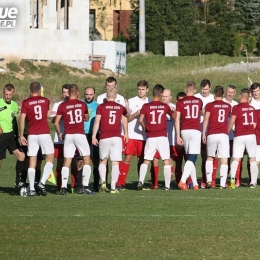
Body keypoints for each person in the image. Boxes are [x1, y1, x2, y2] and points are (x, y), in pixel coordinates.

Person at [54, 84, 94, 195]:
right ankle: (85, 185)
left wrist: (60, 133)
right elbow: (86, 119)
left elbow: (56, 123)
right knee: (86, 159)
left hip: (68, 135)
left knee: (67, 161)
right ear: (77, 93)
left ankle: (63, 188)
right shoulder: (82, 104)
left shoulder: (63, 105)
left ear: (68, 93)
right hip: (80, 134)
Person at [20, 82, 54, 196]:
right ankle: (42, 182)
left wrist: (21, 135)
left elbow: (22, 119)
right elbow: (47, 114)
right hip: (44, 133)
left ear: (30, 90)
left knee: (32, 161)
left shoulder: (25, 103)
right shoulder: (46, 101)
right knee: (50, 158)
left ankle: (32, 189)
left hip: (32, 134)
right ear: (39, 90)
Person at [137, 84, 174, 190]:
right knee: (166, 160)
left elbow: (140, 120)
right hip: (162, 137)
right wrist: (174, 112)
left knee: (146, 160)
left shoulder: (146, 106)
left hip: (151, 137)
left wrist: (145, 128)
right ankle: (167, 186)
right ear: (161, 94)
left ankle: (141, 181)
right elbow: (174, 116)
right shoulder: (165, 106)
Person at [92, 87, 128, 193]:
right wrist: (126, 132)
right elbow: (126, 116)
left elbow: (97, 122)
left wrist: (94, 136)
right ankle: (113, 187)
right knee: (115, 162)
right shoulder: (120, 107)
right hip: (116, 137)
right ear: (116, 97)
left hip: (104, 136)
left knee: (103, 160)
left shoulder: (101, 107)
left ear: (106, 97)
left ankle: (103, 182)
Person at [116, 80, 150, 190]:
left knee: (142, 160)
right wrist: (135, 114)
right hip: (132, 136)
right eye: (139, 89)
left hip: (143, 136)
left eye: (143, 89)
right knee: (127, 159)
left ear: (147, 90)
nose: (141, 91)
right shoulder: (131, 101)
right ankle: (121, 183)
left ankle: (140, 183)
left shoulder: (149, 102)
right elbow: (125, 118)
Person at [50, 84, 78, 193]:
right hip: (60, 138)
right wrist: (61, 115)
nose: (65, 94)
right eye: (64, 92)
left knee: (74, 161)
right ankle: (60, 185)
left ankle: (73, 185)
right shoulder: (58, 105)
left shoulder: (75, 104)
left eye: (67, 92)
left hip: (72, 137)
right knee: (60, 162)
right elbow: (52, 119)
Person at [227, 88, 258, 189]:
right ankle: (253, 182)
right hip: (250, 135)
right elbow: (254, 124)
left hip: (239, 135)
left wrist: (227, 131)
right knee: (252, 159)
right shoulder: (252, 108)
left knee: (236, 159)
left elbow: (232, 121)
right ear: (248, 97)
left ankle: (232, 180)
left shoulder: (236, 107)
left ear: (240, 96)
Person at [202, 85, 231, 189]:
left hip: (212, 133)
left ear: (214, 95)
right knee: (224, 159)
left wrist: (203, 133)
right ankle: (222, 184)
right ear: (223, 95)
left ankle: (209, 181)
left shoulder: (209, 105)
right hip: (223, 134)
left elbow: (206, 119)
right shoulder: (228, 106)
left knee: (210, 157)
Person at [176, 81, 203, 190]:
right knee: (192, 157)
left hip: (184, 130)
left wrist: (178, 135)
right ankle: (182, 181)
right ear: (195, 90)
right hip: (195, 129)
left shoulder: (180, 102)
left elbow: (177, 119)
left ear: (185, 90)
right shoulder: (199, 101)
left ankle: (195, 184)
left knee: (190, 157)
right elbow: (199, 112)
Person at [0, 84, 25, 189]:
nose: (8, 96)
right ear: (3, 93)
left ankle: (17, 183)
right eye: (6, 94)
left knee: (21, 156)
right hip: (1, 136)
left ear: (13, 94)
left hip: (11, 136)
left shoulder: (14, 105)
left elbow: (15, 121)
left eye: (10, 94)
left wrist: (19, 135)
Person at [150, 89, 176, 189]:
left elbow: (177, 120)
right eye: (163, 96)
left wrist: (175, 113)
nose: (164, 98)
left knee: (170, 160)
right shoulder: (158, 106)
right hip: (159, 137)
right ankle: (155, 183)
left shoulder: (174, 107)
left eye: (166, 96)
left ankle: (168, 182)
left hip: (170, 138)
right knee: (155, 160)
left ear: (170, 97)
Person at [194, 79, 216, 188]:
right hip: (199, 129)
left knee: (212, 155)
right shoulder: (196, 97)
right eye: (202, 89)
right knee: (203, 156)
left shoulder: (213, 98)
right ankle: (203, 179)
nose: (204, 91)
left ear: (210, 88)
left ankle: (212, 180)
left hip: (211, 130)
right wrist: (200, 112)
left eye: (206, 89)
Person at [78, 86, 99, 192]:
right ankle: (80, 185)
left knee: (95, 161)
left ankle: (96, 185)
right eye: (87, 94)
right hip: (82, 135)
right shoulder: (80, 104)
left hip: (94, 135)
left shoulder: (98, 106)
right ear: (84, 94)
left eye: (91, 94)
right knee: (81, 161)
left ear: (94, 95)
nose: (89, 96)